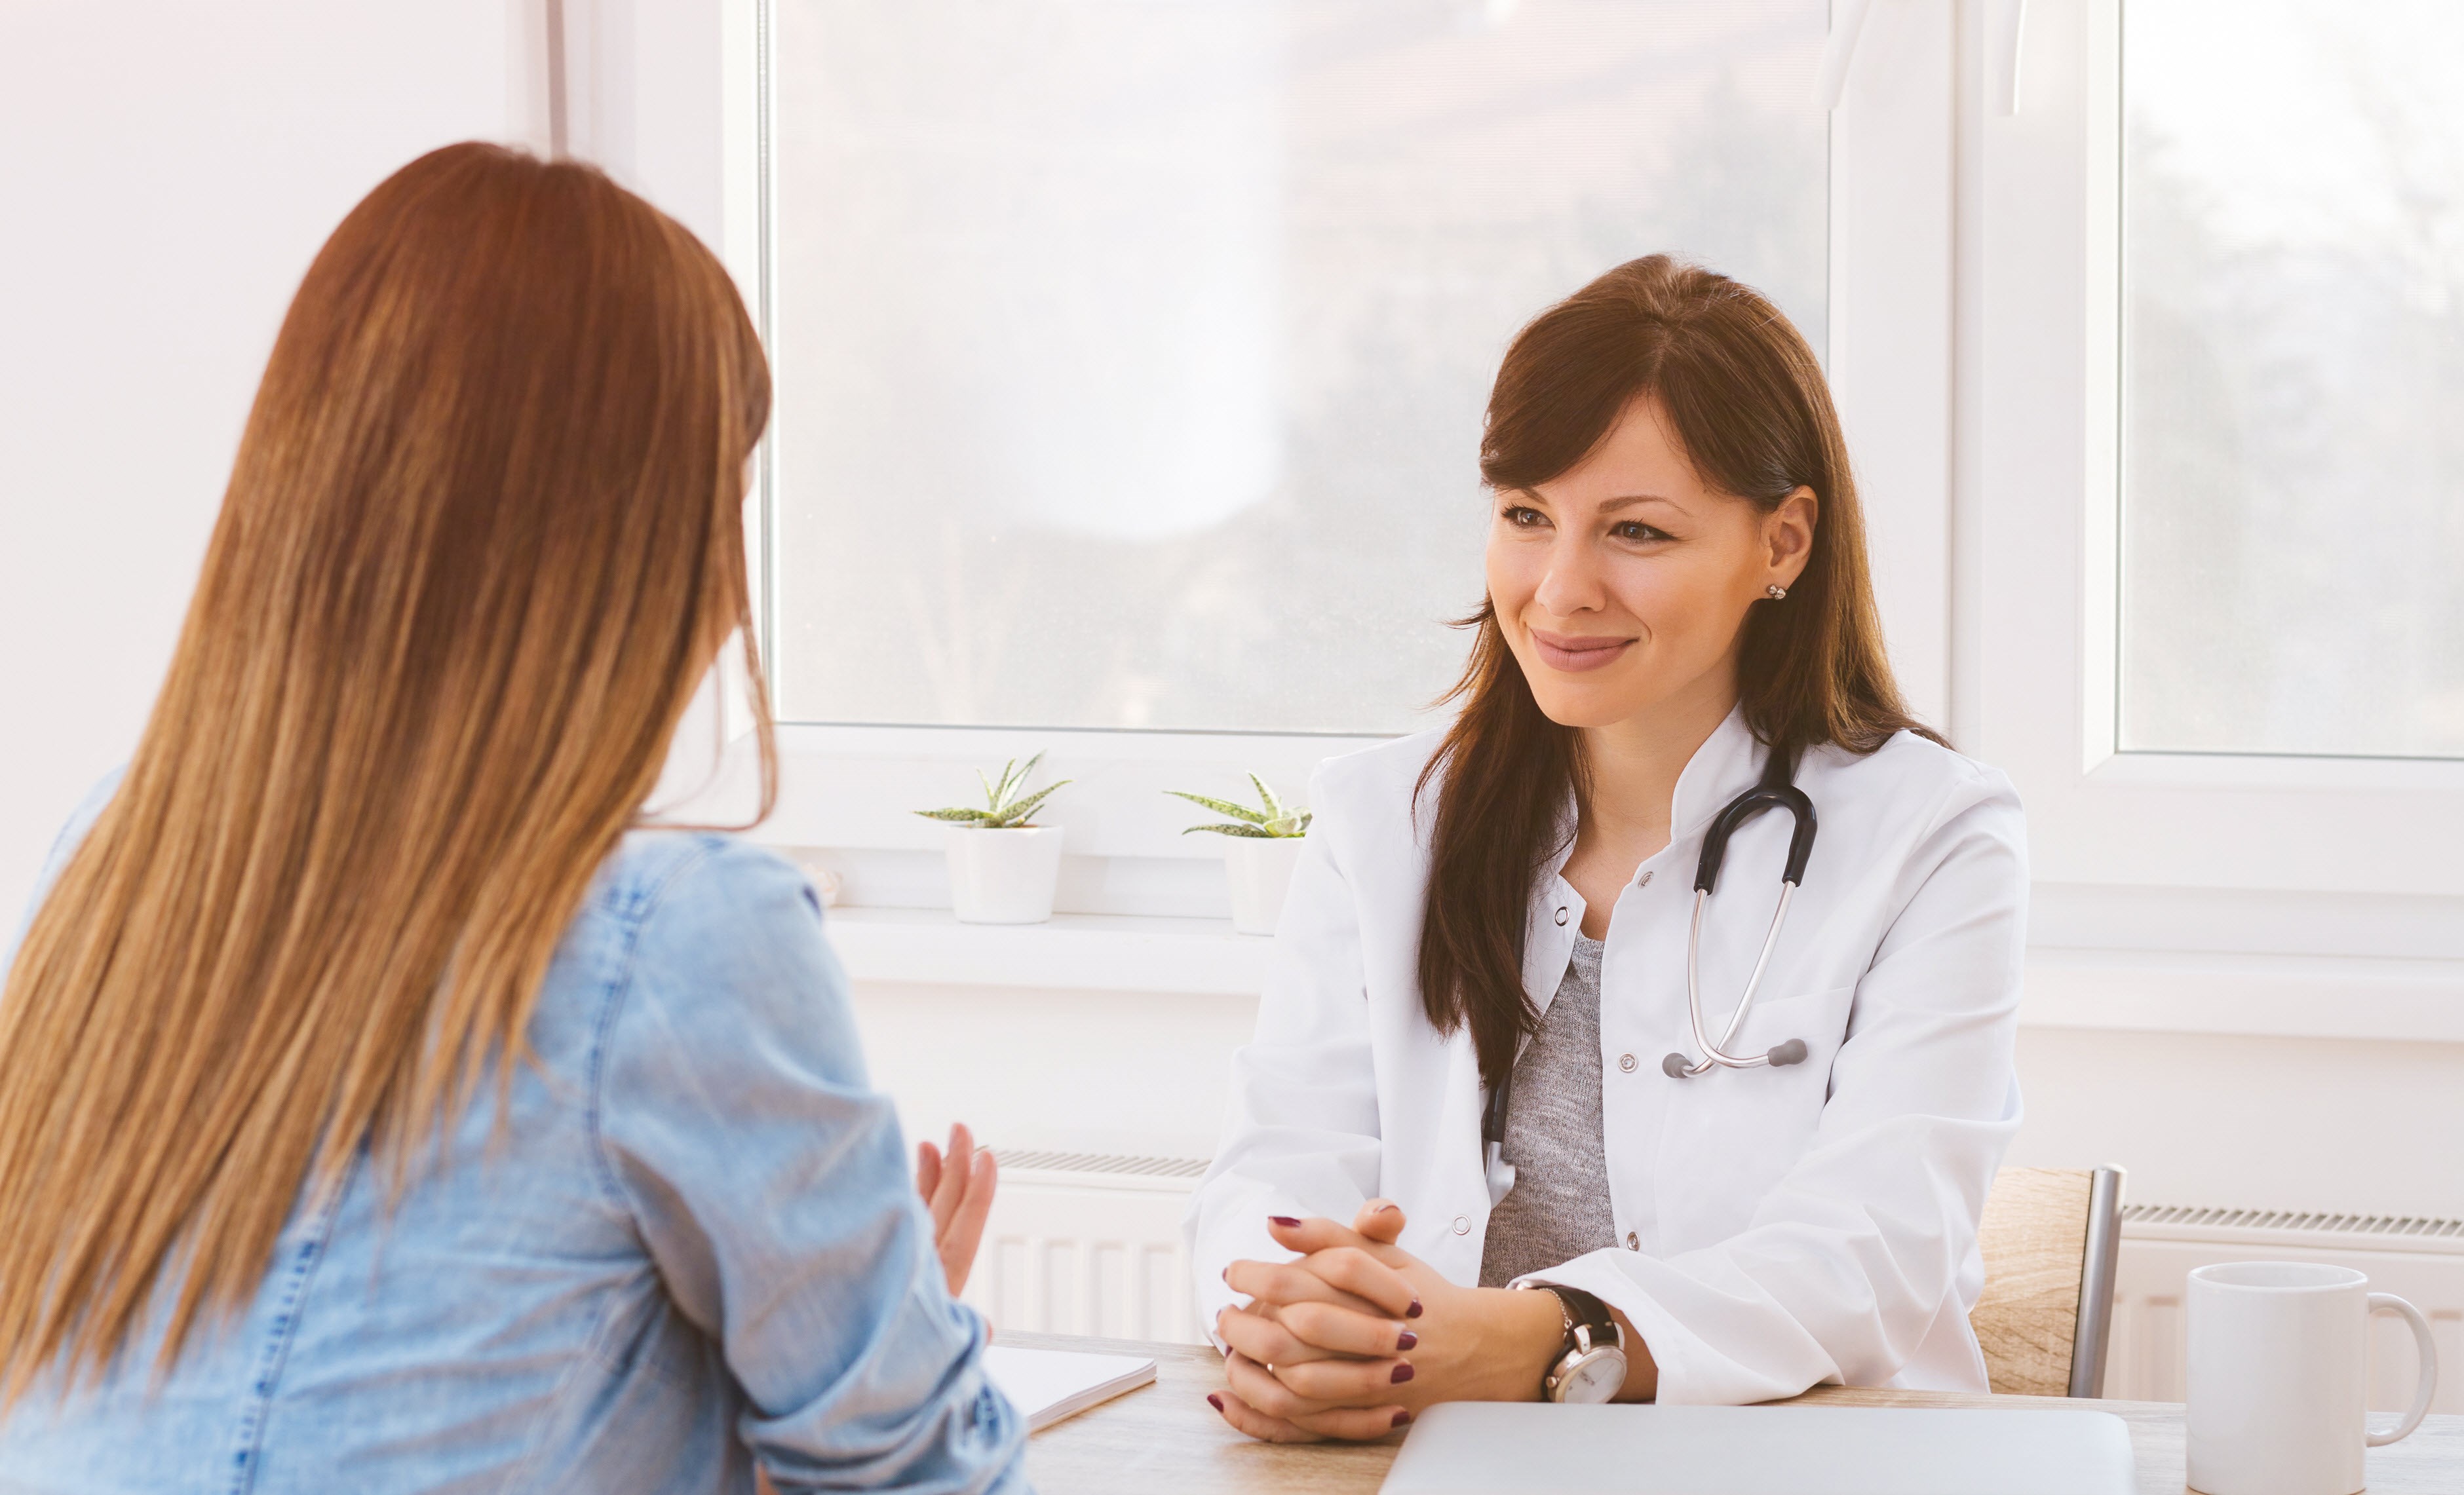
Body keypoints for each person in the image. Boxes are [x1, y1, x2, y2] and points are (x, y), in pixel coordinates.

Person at [0, 143, 1027, 1494]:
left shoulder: (115, 866)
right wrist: (883, 1351)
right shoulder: (669, 937)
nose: (728, 596)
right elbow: (926, 1483)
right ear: (631, 548)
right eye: (720, 502)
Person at [1185, 255, 2028, 1441]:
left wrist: (1539, 1338)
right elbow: (1272, 1170)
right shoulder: (1387, 820)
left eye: (1635, 530)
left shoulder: (1936, 838)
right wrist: (1291, 1311)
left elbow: (1873, 1253)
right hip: (1427, 1461)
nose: (1559, 588)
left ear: (1781, 544)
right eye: (1527, 515)